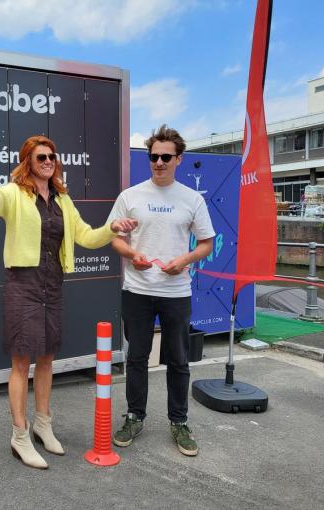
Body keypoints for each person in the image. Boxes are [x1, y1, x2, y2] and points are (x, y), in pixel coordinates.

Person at [0, 123, 137, 469]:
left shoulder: (63, 199)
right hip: (23, 284)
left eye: (52, 156)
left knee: (47, 358)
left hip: (53, 286)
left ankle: (42, 425)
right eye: (41, 157)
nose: (48, 161)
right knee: (21, 362)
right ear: (28, 162)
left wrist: (113, 228)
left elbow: (87, 237)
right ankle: (19, 436)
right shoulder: (15, 194)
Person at [107, 124, 215, 457]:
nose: (159, 163)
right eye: (153, 156)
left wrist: (185, 259)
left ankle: (179, 422)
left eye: (166, 157)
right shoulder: (131, 196)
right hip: (137, 290)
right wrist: (131, 255)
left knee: (179, 360)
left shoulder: (191, 198)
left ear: (179, 159)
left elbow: (207, 243)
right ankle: (134, 416)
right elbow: (114, 237)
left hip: (176, 291)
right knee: (136, 357)